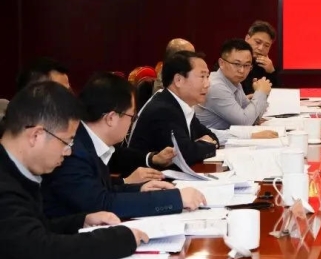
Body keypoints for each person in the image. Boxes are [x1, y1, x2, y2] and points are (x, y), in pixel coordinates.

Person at [0, 82, 148, 259]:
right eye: (66, 141)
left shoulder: (18, 171)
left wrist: (81, 221)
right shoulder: (5, 185)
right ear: (36, 135)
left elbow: (31, 230)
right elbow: (38, 252)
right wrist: (119, 238)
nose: (68, 152)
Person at [42, 73, 206, 219]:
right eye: (131, 117)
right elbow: (102, 204)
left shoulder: (88, 141)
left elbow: (102, 190)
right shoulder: (72, 149)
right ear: (111, 118)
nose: (131, 123)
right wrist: (174, 199)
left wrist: (139, 189)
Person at [129, 51, 218, 165]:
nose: (207, 84)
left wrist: (200, 145)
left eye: (207, 77)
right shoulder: (163, 110)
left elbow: (210, 136)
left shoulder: (179, 104)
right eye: (202, 77)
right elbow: (183, 155)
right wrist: (208, 145)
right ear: (178, 80)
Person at [196, 39, 273, 130]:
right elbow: (244, 122)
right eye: (236, 64)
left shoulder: (235, 82)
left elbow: (254, 118)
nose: (242, 71)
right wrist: (260, 93)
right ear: (221, 63)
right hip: (209, 138)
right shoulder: (216, 86)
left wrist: (261, 94)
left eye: (246, 65)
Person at [242, 21, 278, 95]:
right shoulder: (233, 59)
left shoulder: (267, 66)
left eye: (266, 45)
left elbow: (280, 95)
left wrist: (272, 72)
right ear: (247, 38)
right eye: (258, 42)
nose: (261, 48)